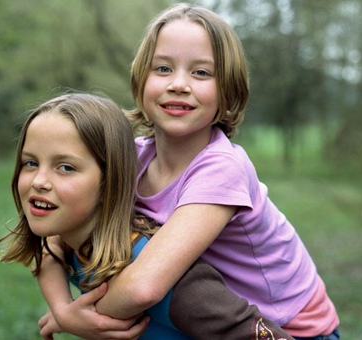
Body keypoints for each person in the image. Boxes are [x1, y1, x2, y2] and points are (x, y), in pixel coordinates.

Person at [95, 3, 340, 339]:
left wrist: (79, 320)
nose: (179, 84)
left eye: (201, 73)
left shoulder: (222, 167)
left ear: (228, 94)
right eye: (163, 68)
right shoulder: (132, 157)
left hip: (289, 328)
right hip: (214, 316)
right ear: (140, 81)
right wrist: (61, 304)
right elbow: (60, 226)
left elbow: (143, 289)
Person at [0, 93, 293, 340]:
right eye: (30, 163)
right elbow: (47, 251)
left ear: (111, 181)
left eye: (65, 167)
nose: (39, 181)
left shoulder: (172, 283)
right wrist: (63, 311)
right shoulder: (69, 244)